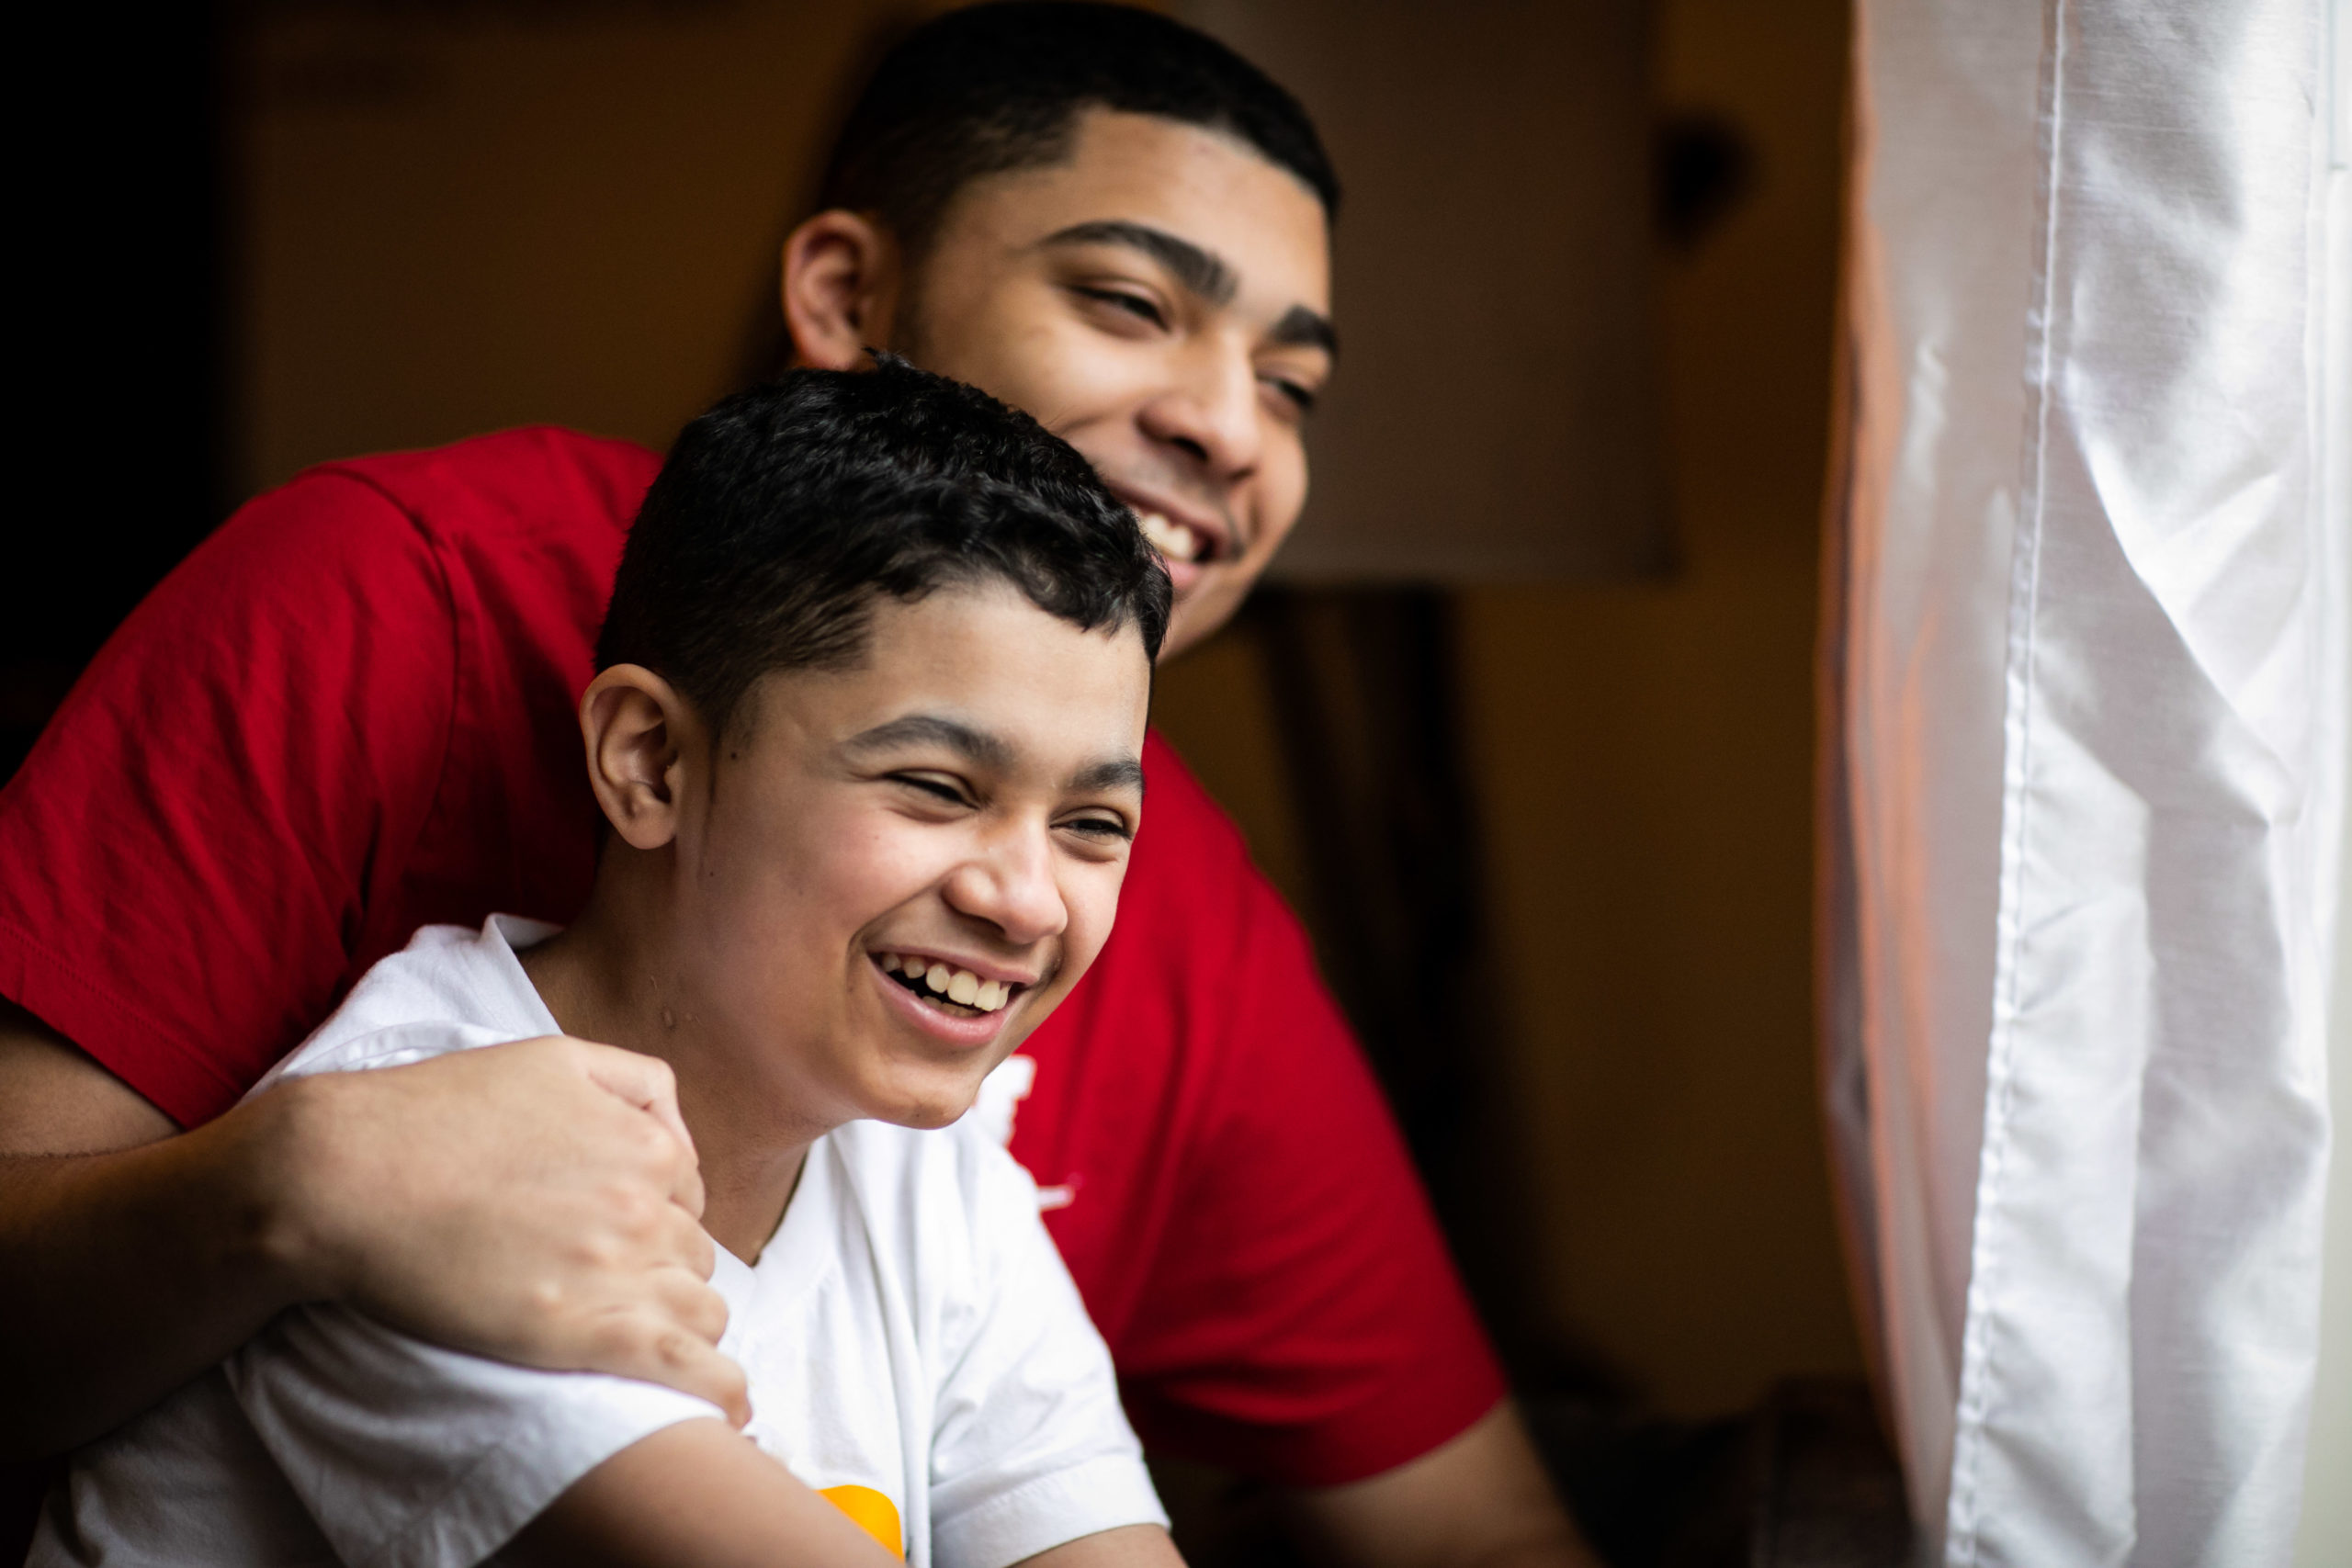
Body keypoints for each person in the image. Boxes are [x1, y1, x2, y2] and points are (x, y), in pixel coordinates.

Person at [0, 6, 1590, 1562]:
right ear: (648, 762)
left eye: (1294, 385)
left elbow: (1454, 1519)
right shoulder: (392, 620)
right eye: (1125, 301)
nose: (1233, 428)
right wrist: (296, 1180)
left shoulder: (975, 1119)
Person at [33, 361, 1178, 1568]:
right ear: (651, 767)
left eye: (1092, 825)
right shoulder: (421, 1158)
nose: (1028, 899)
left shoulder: (929, 1172)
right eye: (937, 788)